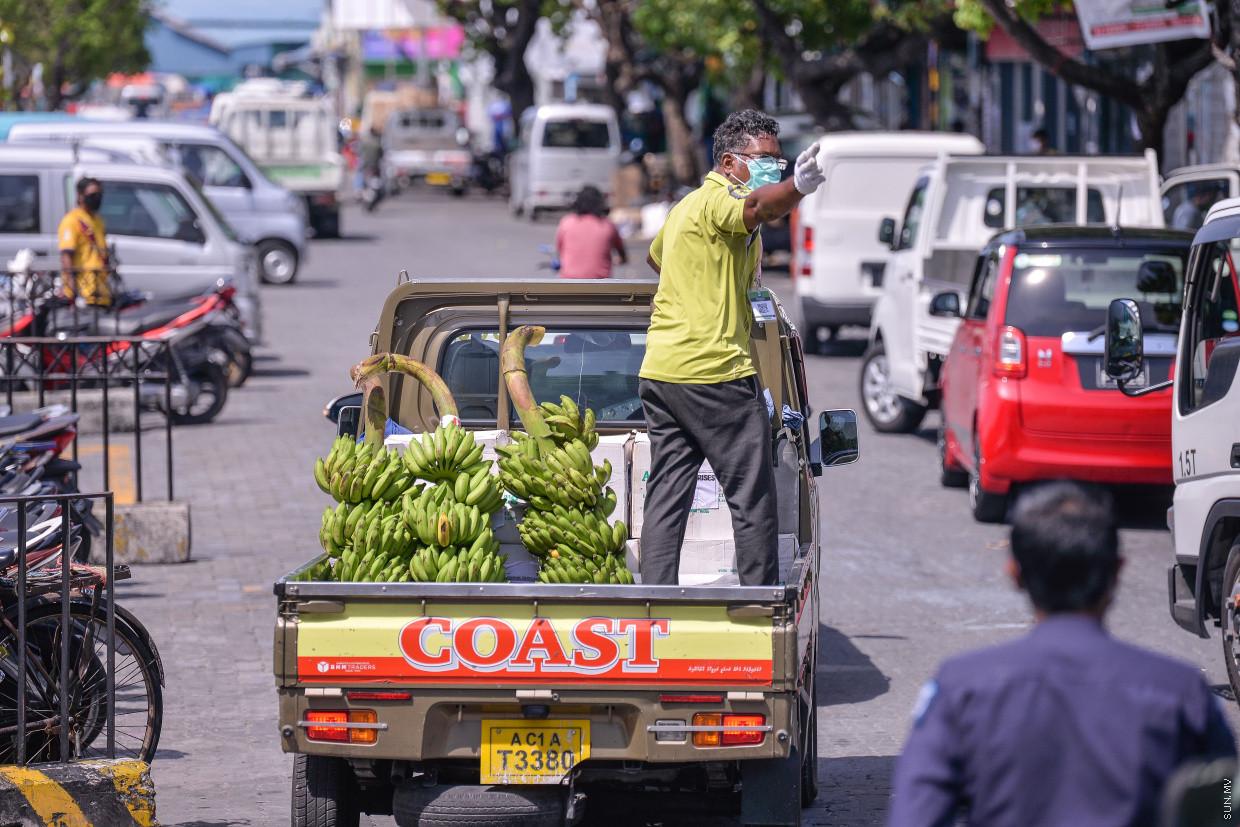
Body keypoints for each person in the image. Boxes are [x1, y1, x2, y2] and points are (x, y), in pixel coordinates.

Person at [888, 482, 1236, 827]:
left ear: (1015, 574)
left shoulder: (960, 689)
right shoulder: (1181, 692)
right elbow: (1225, 802)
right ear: (1117, 572)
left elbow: (916, 815)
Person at [638, 109, 824, 586]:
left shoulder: (684, 207)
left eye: (779, 165)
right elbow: (759, 208)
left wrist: (710, 285)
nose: (773, 170)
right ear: (728, 162)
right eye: (764, 161)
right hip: (713, 370)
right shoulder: (721, 202)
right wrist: (797, 189)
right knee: (752, 492)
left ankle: (655, 595)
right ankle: (757, 603)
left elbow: (655, 256)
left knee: (667, 492)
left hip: (662, 370)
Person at [58, 177, 112, 307]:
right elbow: (66, 255)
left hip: (101, 292)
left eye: (99, 195)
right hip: (84, 294)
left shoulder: (98, 220)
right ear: (80, 196)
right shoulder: (72, 220)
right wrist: (72, 290)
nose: (97, 198)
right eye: (93, 195)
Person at [554, 186, 627, 279]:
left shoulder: (566, 222)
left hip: (569, 282)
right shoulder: (607, 225)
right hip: (600, 285)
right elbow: (622, 256)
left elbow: (560, 252)